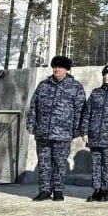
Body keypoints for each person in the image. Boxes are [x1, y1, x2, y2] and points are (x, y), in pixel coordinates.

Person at [26, 55, 86, 202]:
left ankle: (58, 190)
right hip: (43, 132)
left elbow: (80, 110)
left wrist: (77, 130)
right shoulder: (43, 85)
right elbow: (33, 106)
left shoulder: (75, 87)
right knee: (44, 163)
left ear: (66, 69)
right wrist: (31, 124)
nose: (57, 70)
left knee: (59, 163)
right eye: (55, 67)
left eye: (60, 67)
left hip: (63, 133)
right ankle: (44, 190)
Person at [81, 64, 108, 201]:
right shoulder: (96, 93)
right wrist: (85, 131)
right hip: (94, 134)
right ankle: (97, 189)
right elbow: (87, 113)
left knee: (107, 164)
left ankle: (106, 189)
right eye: (105, 74)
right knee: (96, 164)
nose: (106, 77)